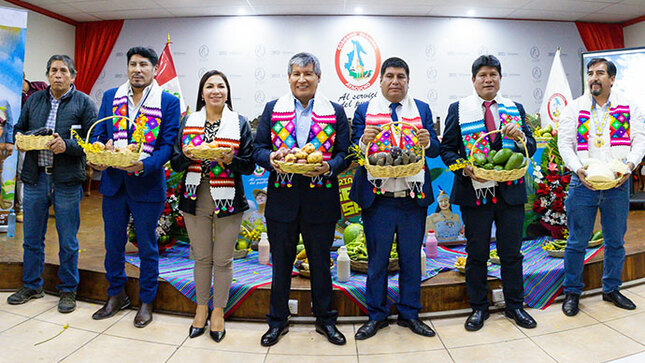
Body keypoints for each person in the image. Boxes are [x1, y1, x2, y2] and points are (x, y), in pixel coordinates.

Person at [253, 52, 350, 347]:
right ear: (289, 78)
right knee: (280, 264)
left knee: (321, 263)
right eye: (296, 73)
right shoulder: (273, 108)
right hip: (282, 201)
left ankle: (326, 320)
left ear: (319, 78)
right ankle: (277, 321)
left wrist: (330, 167)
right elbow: (258, 149)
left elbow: (345, 155)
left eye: (308, 73)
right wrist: (270, 157)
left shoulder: (335, 111)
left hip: (321, 200)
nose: (302, 79)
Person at [440, 55, 537, 331]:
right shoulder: (458, 109)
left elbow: (529, 145)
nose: (488, 79)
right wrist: (463, 169)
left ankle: (515, 306)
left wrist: (520, 137)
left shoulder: (514, 108)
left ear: (500, 79)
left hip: (510, 193)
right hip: (475, 194)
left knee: (511, 253)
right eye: (482, 75)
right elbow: (447, 149)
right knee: (477, 254)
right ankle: (478, 308)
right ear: (473, 80)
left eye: (493, 74)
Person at [349, 57, 440, 340]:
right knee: (377, 261)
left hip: (412, 199)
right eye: (389, 76)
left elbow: (435, 150)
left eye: (401, 76)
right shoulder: (365, 109)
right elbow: (353, 149)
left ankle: (409, 314)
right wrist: (364, 140)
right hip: (379, 199)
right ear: (380, 81)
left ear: (408, 81)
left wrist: (428, 142)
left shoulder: (421, 109)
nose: (395, 81)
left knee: (412, 259)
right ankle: (376, 316)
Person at [90, 47, 180, 328]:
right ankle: (115, 296)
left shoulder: (167, 101)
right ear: (127, 68)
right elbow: (102, 134)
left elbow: (168, 146)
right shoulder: (110, 97)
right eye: (132, 64)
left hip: (147, 185)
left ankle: (146, 301)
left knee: (147, 247)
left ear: (154, 69)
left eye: (144, 65)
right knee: (113, 245)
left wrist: (144, 165)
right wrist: (102, 148)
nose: (137, 69)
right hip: (115, 183)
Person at [7, 55, 97, 313]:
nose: (58, 75)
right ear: (47, 74)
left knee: (68, 240)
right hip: (35, 179)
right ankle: (32, 285)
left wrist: (66, 145)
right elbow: (18, 129)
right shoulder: (34, 100)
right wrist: (21, 139)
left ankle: (68, 290)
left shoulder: (84, 103)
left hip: (67, 182)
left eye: (63, 71)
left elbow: (92, 141)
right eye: (53, 70)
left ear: (73, 75)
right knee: (32, 239)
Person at [170, 70, 254, 342]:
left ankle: (218, 310)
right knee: (202, 257)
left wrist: (231, 160)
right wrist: (185, 155)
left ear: (227, 92)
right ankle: (201, 307)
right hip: (195, 196)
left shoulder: (239, 123)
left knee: (223, 259)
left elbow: (250, 165)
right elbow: (174, 162)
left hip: (229, 197)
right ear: (202, 92)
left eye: (221, 86)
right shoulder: (188, 121)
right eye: (209, 86)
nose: (215, 90)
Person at [558, 58, 645, 316]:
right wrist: (578, 169)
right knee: (576, 241)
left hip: (617, 183)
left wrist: (628, 167)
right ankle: (572, 292)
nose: (594, 78)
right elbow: (565, 144)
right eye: (590, 73)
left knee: (615, 241)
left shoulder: (629, 107)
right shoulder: (574, 108)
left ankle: (611, 289)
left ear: (612, 79)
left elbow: (639, 141)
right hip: (582, 182)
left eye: (600, 73)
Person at [15, 74, 47, 222]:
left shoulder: (39, 86)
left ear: (24, 76)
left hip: (43, 137)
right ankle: (21, 208)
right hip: (24, 138)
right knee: (21, 172)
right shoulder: (13, 93)